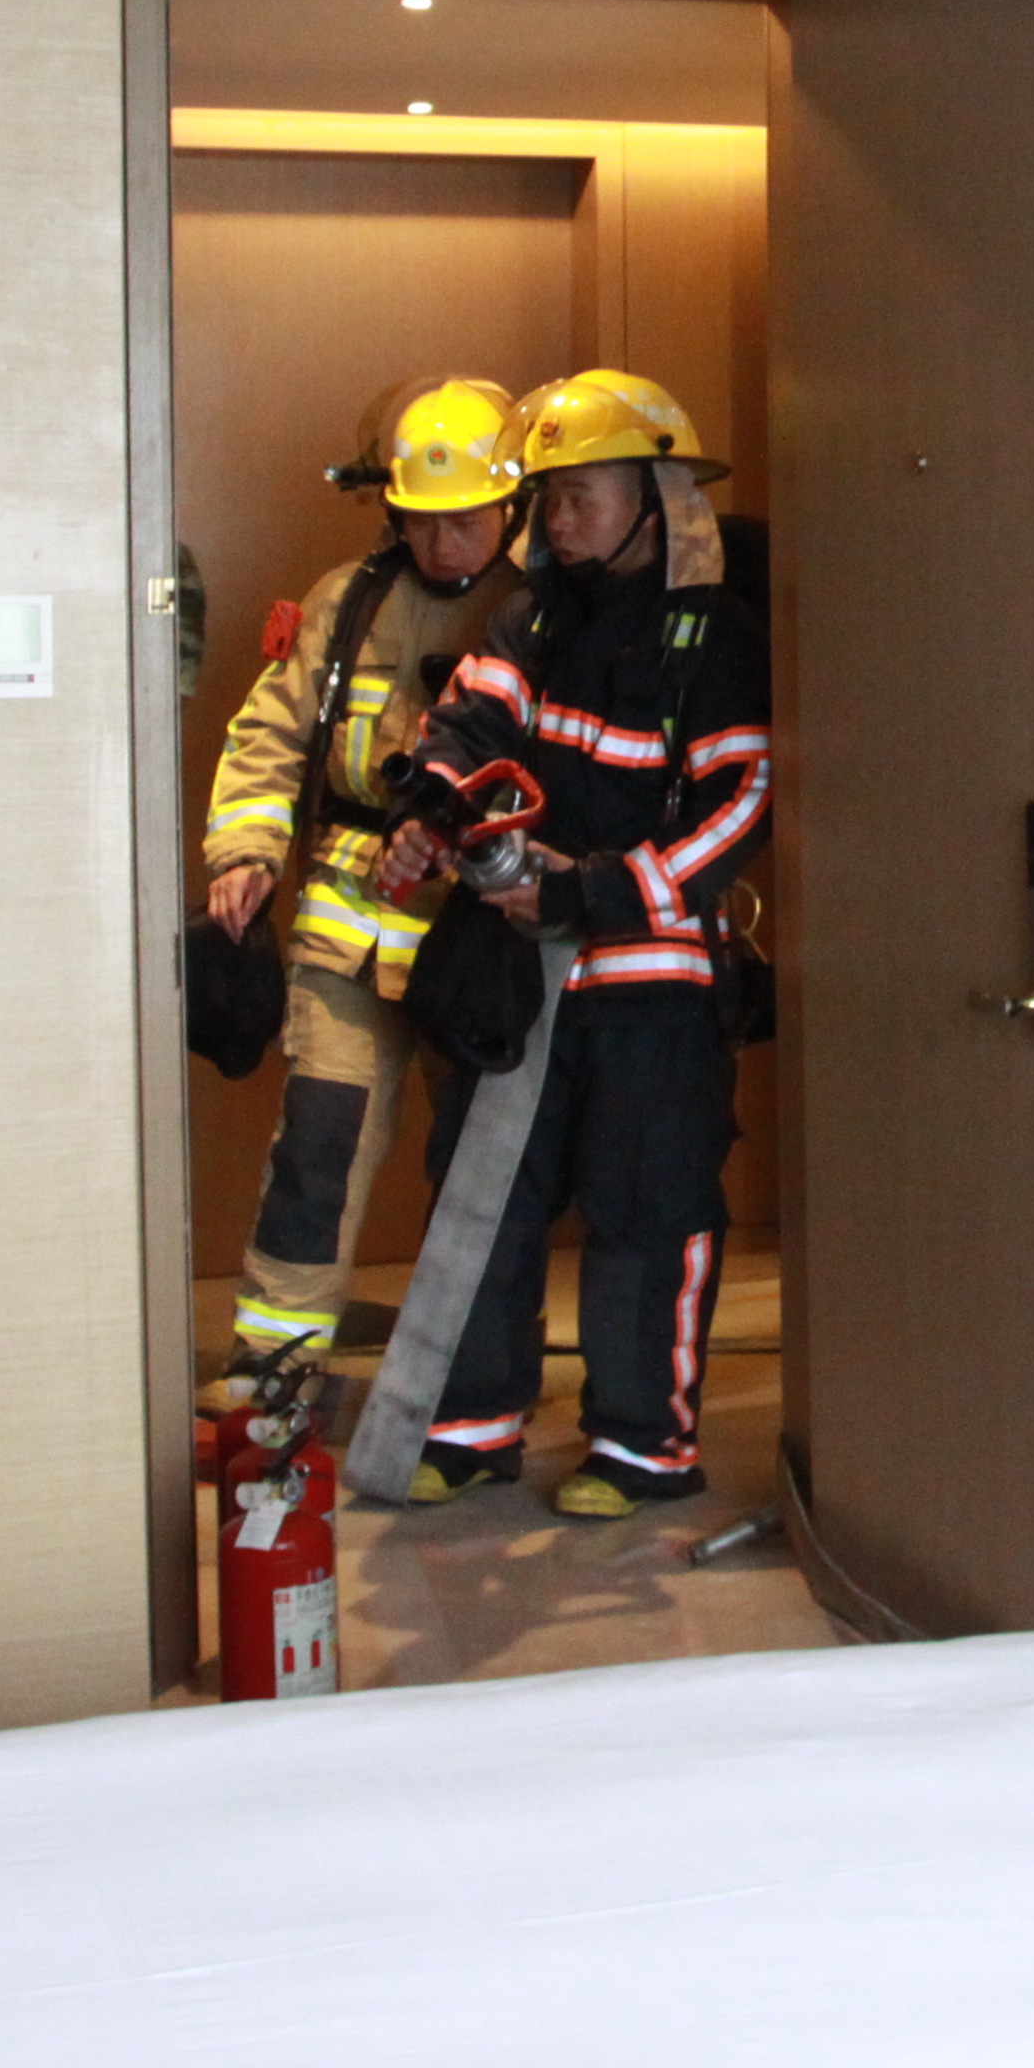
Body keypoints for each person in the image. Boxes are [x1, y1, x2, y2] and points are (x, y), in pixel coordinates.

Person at [391, 366, 770, 1518]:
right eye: (548, 497)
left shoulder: (717, 634)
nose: (557, 521)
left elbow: (743, 805)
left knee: (646, 1209)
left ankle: (640, 1447)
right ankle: (469, 1427)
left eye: (581, 495)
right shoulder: (533, 618)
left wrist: (598, 891)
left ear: (656, 497)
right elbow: (471, 722)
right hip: (522, 973)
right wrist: (434, 802)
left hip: (652, 979)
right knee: (484, 1196)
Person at [197, 374, 535, 1427]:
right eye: (422, 520)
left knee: (478, 1166)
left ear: (512, 503)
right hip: (346, 934)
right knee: (319, 1148)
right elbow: (269, 733)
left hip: (478, 937)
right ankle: (273, 1367)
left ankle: (465, 1390)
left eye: (466, 519)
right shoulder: (346, 603)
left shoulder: (541, 611)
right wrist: (244, 850)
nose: (443, 542)